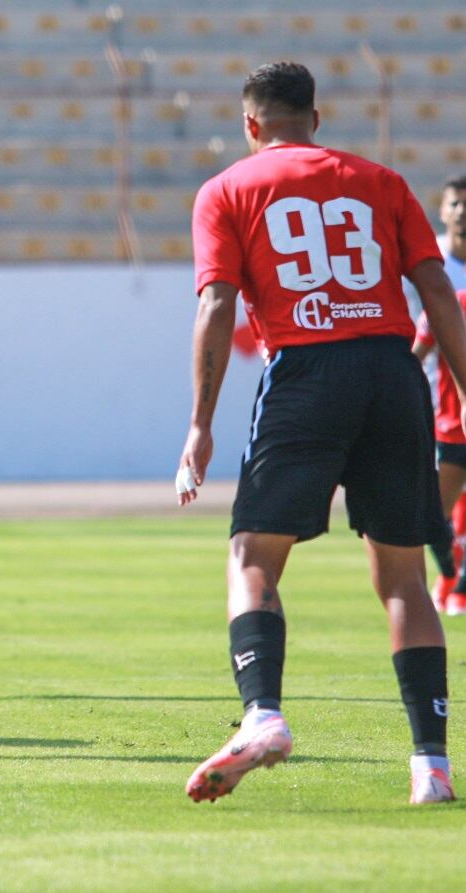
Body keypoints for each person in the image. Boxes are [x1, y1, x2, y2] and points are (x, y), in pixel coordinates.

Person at [177, 62, 466, 805]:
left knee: (252, 556)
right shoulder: (381, 181)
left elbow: (216, 306)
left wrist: (200, 423)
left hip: (305, 373)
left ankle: (263, 716)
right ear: (316, 117)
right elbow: (437, 289)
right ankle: (431, 767)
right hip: (392, 372)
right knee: (403, 578)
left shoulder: (226, 190)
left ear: (250, 124)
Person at [411, 176, 466, 614]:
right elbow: (420, 341)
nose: (462, 212)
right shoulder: (428, 262)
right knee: (434, 514)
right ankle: (449, 574)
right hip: (444, 410)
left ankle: (458, 584)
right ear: (444, 210)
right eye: (456, 204)